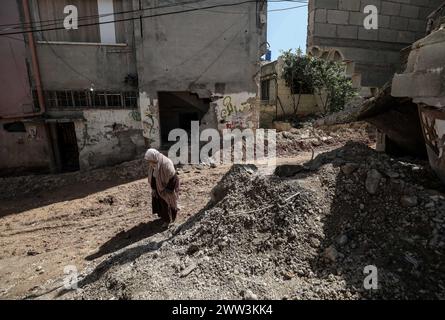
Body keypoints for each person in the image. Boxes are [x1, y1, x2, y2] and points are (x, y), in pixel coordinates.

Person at [144, 149, 180, 226]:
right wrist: (153, 188)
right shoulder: (154, 164)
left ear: (154, 157)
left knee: (168, 201)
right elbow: (153, 177)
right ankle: (163, 216)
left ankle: (169, 220)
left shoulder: (166, 163)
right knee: (160, 201)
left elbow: (173, 177)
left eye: (150, 160)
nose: (149, 162)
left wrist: (168, 190)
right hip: (159, 186)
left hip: (169, 185)